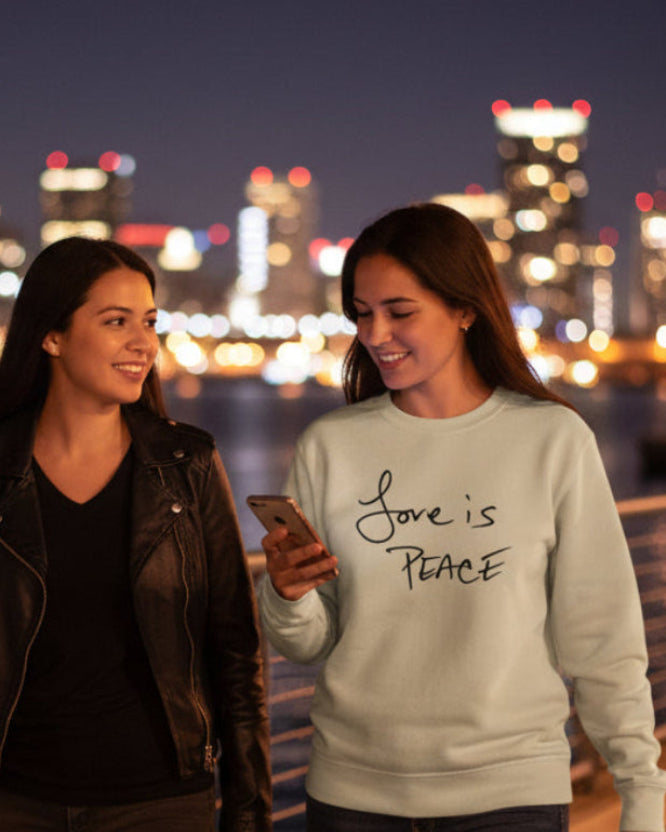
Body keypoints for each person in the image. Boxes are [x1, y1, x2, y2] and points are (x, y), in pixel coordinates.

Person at [257, 203, 666, 832]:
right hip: (352, 798)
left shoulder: (552, 440)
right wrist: (287, 595)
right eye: (363, 314)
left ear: (465, 308)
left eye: (400, 311)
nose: (375, 334)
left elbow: (603, 637)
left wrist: (641, 792)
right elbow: (312, 643)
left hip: (511, 799)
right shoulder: (330, 446)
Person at [0, 237, 272, 831]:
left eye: (149, 321)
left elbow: (236, 650)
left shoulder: (186, 465)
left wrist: (249, 813)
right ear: (52, 335)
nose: (142, 342)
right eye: (115, 321)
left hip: (160, 802)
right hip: (16, 799)